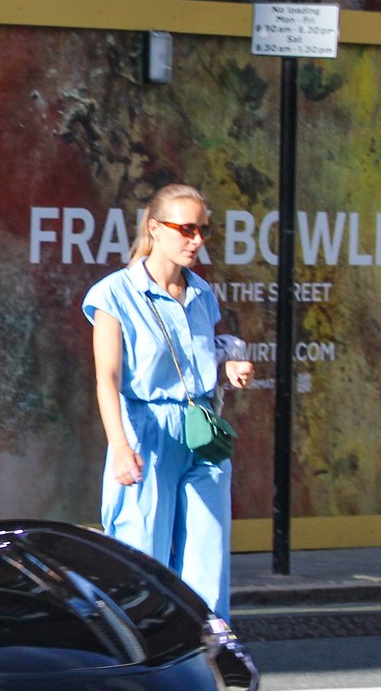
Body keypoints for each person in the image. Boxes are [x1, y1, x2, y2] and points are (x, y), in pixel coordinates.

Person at [81, 183, 254, 621]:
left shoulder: (202, 295)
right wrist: (120, 446)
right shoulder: (114, 294)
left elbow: (200, 357)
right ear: (154, 229)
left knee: (206, 562)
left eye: (204, 231)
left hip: (201, 431)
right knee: (142, 559)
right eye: (187, 229)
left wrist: (229, 367)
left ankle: (208, 660)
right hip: (146, 431)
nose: (197, 240)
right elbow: (108, 378)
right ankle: (141, 663)